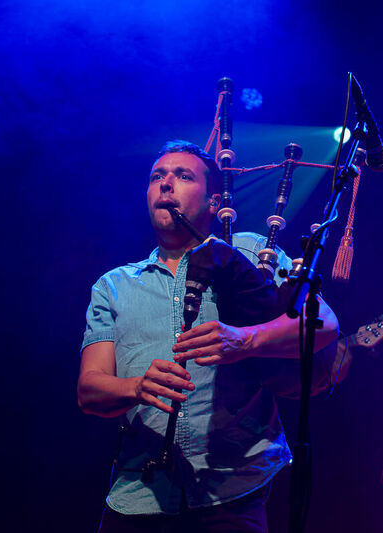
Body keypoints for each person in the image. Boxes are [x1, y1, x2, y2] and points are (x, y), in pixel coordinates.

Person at [77, 141, 339, 532]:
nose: (166, 184)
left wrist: (246, 339)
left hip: (233, 492)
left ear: (215, 202)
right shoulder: (113, 286)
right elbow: (89, 390)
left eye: (183, 176)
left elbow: (324, 325)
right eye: (156, 176)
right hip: (138, 495)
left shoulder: (252, 254)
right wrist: (136, 386)